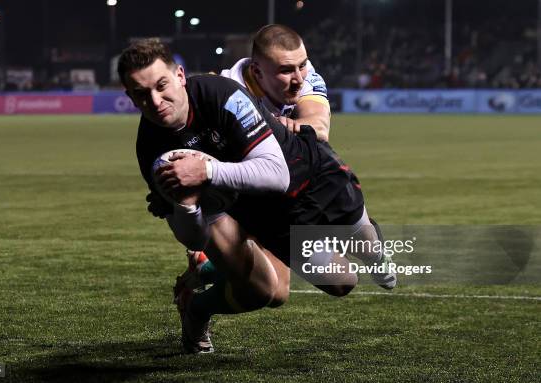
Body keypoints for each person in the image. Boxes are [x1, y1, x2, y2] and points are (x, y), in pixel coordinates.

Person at [118, 38, 395, 354]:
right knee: (265, 292)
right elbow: (192, 237)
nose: (155, 100)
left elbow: (277, 174)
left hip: (277, 190)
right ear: (130, 97)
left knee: (342, 282)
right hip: (230, 204)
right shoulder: (151, 149)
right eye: (141, 94)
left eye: (162, 85)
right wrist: (186, 205)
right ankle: (196, 308)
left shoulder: (220, 93)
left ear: (180, 76)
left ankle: (208, 268)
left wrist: (206, 172)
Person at [221, 24, 331, 142]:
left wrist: (288, 126)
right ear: (257, 72)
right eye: (286, 70)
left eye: (302, 65)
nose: (299, 80)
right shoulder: (227, 94)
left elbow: (319, 126)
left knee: (316, 147)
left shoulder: (308, 75)